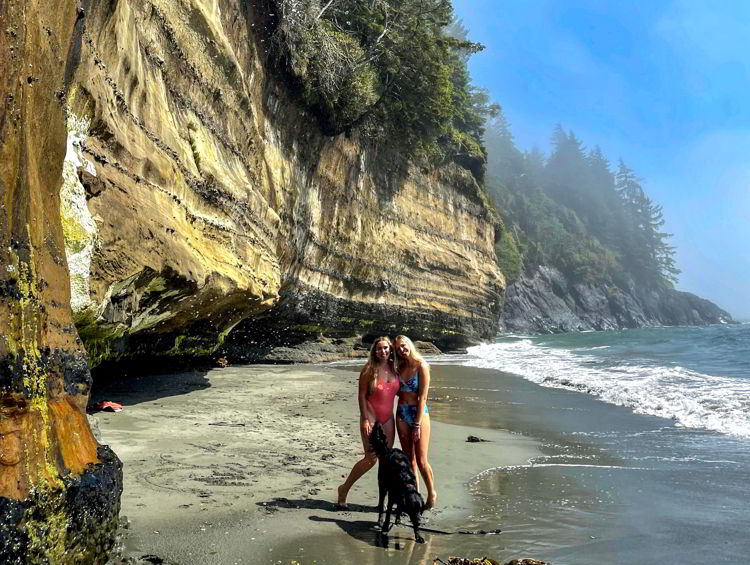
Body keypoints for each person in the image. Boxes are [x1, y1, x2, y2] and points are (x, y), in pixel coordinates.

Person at [337, 337, 400, 508]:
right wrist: (365, 419)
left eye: (386, 348)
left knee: (385, 461)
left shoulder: (396, 368)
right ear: (374, 351)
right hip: (371, 418)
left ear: (390, 349)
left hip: (388, 420)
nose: (383, 351)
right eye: (379, 349)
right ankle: (344, 488)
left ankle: (383, 502)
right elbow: (362, 395)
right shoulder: (369, 369)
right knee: (371, 458)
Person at [394, 335, 437, 509]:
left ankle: (431, 492)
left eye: (404, 346)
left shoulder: (421, 365)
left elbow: (423, 397)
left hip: (419, 414)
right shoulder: (400, 366)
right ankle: (415, 496)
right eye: (398, 349)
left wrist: (417, 424)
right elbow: (396, 391)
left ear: (409, 345)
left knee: (421, 460)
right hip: (402, 413)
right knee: (408, 459)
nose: (402, 350)